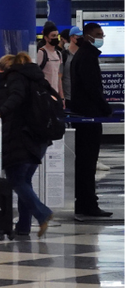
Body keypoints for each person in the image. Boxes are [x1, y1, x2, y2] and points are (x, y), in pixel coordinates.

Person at [0, 52, 55, 237]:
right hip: (40, 136)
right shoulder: (37, 78)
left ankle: (43, 213)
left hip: (21, 136)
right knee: (25, 181)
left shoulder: (14, 78)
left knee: (16, 180)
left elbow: (16, 98)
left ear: (5, 68)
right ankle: (23, 226)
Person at [66, 22, 114, 220]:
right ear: (87, 36)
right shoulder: (87, 57)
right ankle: (87, 204)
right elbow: (92, 87)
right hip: (88, 115)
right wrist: (106, 109)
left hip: (84, 113)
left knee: (86, 162)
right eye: (98, 34)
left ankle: (86, 203)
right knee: (87, 161)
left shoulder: (83, 55)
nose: (101, 37)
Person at [35, 22, 67, 100]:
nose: (56, 38)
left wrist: (62, 96)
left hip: (55, 94)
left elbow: (59, 77)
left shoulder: (58, 54)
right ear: (46, 38)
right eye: (53, 36)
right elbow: (37, 75)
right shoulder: (42, 52)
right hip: (45, 94)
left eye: (57, 35)